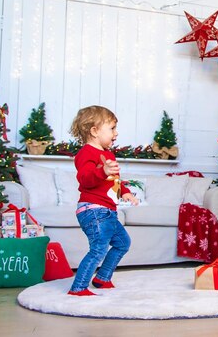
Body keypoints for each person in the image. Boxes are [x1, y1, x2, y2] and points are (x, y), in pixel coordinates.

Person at [67, 105, 139, 296]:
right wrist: (102, 171)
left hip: (107, 211)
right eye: (112, 128)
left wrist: (125, 191)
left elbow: (113, 179)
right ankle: (78, 287)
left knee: (123, 243)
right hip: (93, 210)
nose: (116, 133)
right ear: (94, 131)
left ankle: (102, 278)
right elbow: (85, 178)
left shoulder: (108, 154)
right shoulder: (86, 153)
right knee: (98, 249)